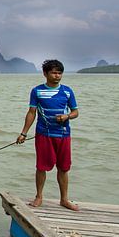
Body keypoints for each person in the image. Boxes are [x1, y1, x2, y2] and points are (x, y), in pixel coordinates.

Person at [16, 59, 79, 210]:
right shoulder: (37, 91)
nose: (57, 76)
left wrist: (67, 116)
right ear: (45, 74)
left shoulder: (67, 91)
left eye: (60, 73)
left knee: (64, 168)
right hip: (43, 134)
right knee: (41, 167)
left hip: (63, 134)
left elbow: (75, 112)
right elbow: (31, 113)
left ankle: (64, 199)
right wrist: (23, 133)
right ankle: (39, 196)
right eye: (54, 72)